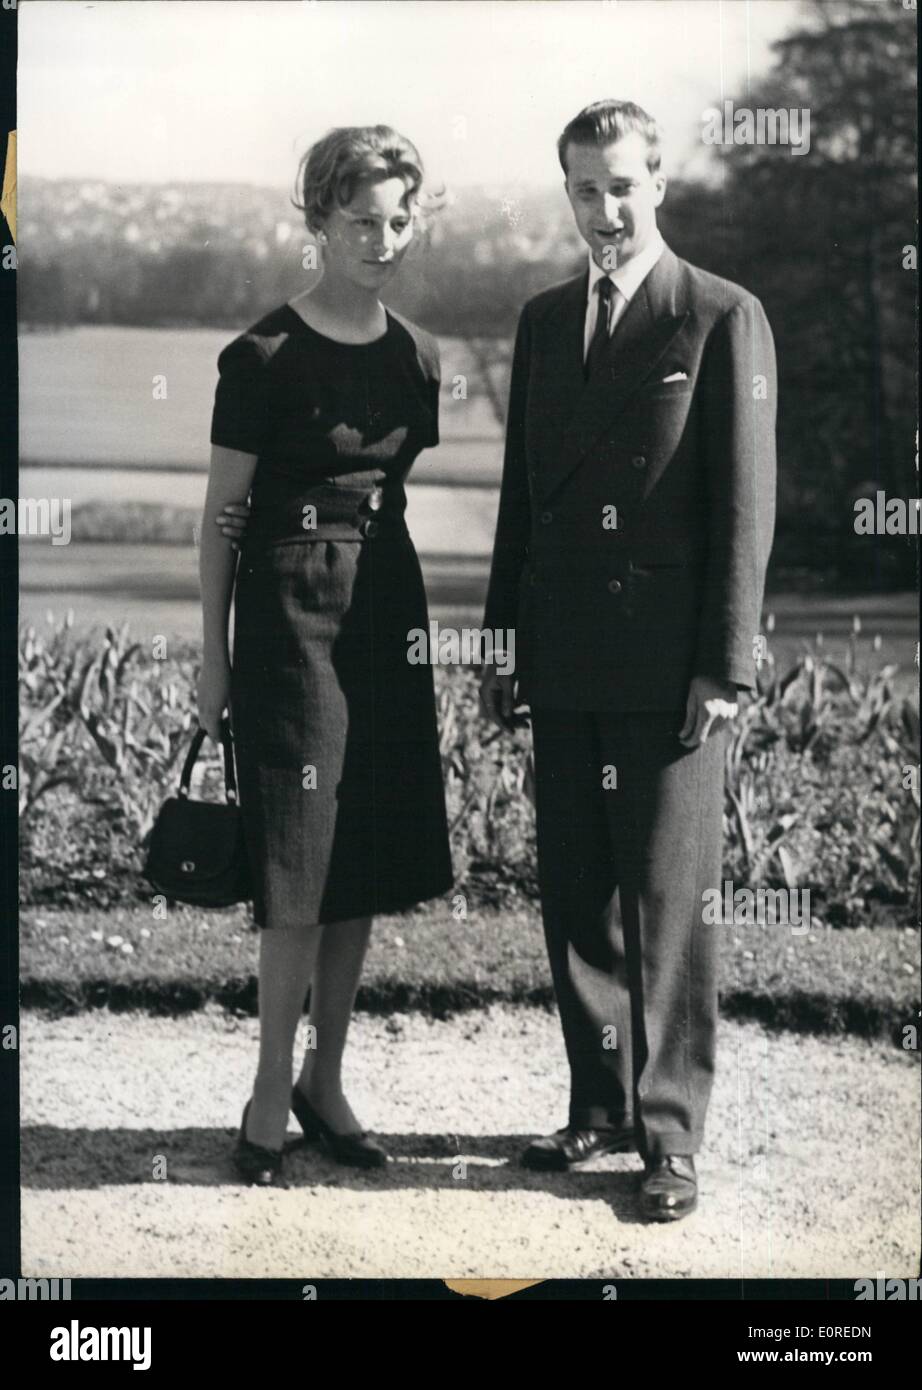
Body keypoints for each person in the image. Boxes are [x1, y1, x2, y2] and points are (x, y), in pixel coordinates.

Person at [480, 100, 777, 1221]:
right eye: (583, 190)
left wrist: (726, 666)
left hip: (669, 670)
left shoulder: (718, 316)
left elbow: (746, 509)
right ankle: (596, 1104)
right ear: (564, 193)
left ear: (659, 183)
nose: (603, 212)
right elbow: (521, 500)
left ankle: (669, 1137)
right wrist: (506, 637)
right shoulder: (544, 320)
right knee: (578, 896)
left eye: (621, 187)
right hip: (561, 654)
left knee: (665, 899)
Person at [198, 125, 453, 1186]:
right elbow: (220, 518)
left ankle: (326, 1078)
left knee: (362, 862)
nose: (383, 240)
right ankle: (267, 1090)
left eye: (400, 219)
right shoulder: (259, 357)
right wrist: (212, 662)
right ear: (317, 221)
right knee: (297, 867)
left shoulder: (417, 358)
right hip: (288, 615)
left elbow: (385, 503)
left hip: (384, 611)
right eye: (361, 220)